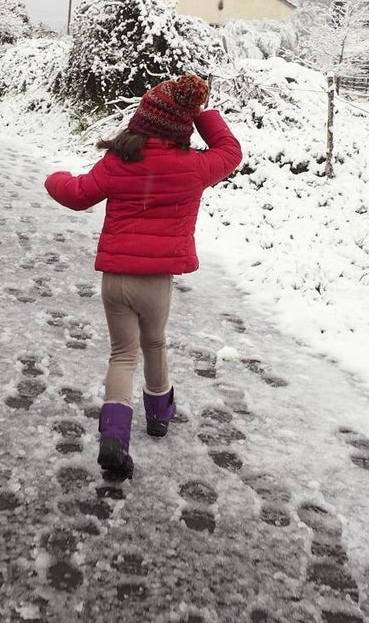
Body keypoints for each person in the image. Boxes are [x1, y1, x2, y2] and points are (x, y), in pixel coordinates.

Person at [44, 74, 242, 478]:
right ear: (181, 125)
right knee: (155, 343)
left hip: (115, 279)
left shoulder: (119, 161)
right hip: (156, 281)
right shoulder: (195, 168)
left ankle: (114, 438)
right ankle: (159, 415)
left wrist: (55, 178)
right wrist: (200, 116)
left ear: (142, 119)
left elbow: (78, 193)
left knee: (122, 354)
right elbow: (231, 151)